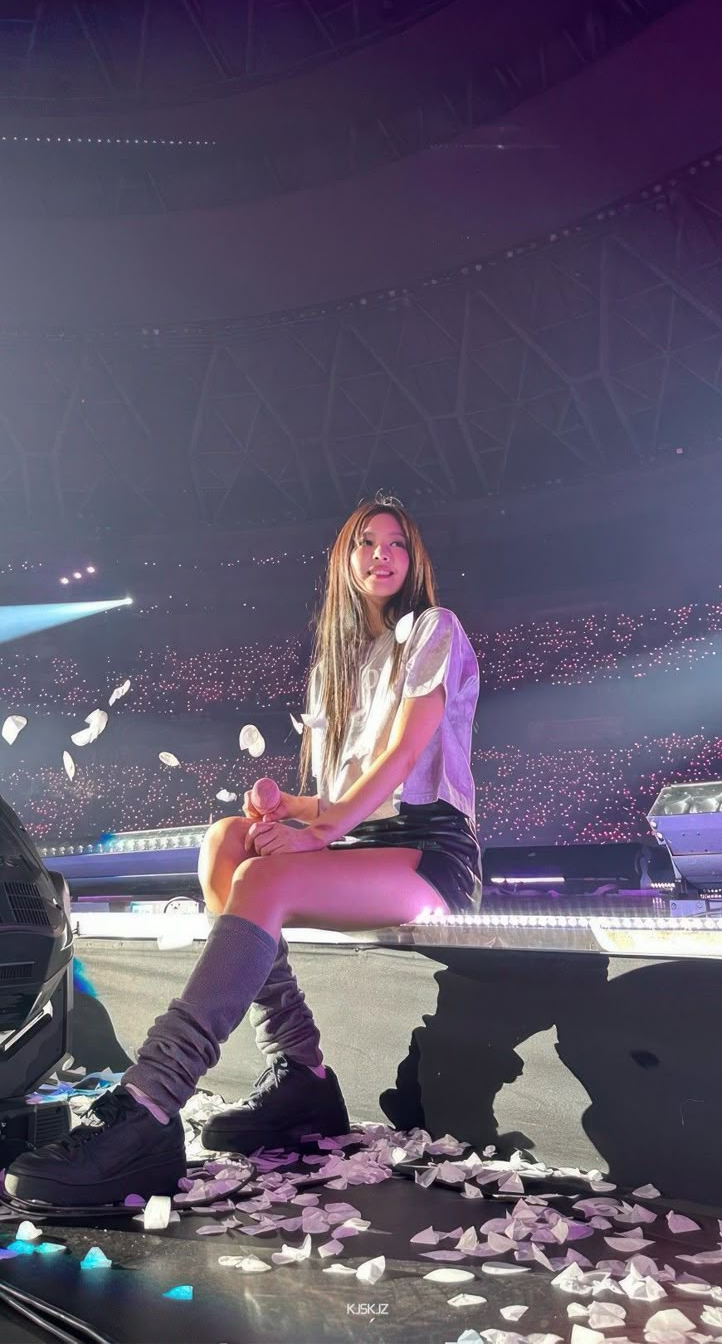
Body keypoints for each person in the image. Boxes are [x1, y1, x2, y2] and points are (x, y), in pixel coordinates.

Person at [5, 497, 482, 1208]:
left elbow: (404, 755)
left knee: (261, 877)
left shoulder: (433, 629)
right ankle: (301, 1071)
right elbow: (341, 796)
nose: (382, 554)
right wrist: (288, 807)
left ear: (415, 561)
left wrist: (316, 831)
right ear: (345, 560)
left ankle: (152, 1104)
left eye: (397, 544)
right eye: (366, 542)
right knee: (226, 840)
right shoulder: (339, 663)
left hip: (432, 853)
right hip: (361, 841)